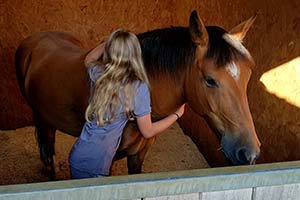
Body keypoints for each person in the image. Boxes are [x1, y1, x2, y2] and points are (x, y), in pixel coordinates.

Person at [68, 29, 185, 179]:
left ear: (110, 51)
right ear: (136, 55)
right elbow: (148, 131)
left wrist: (109, 42)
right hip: (96, 165)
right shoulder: (138, 88)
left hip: (78, 155)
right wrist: (177, 114)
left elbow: (89, 58)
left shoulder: (98, 74)